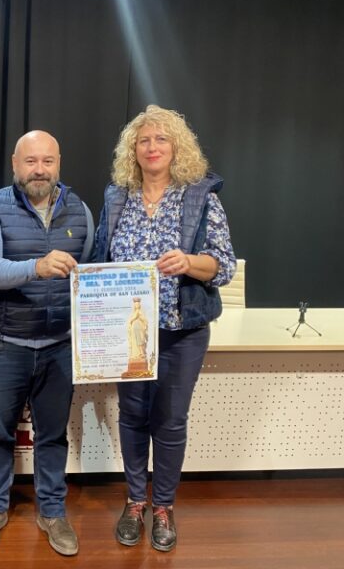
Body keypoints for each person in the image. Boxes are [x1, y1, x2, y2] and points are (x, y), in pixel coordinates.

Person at [92, 105, 236, 552]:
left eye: (161, 140)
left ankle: (164, 506)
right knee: (133, 417)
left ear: (177, 147)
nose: (152, 147)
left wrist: (190, 263)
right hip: (128, 331)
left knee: (170, 422)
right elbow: (100, 258)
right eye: (143, 141)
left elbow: (224, 265)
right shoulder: (117, 197)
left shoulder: (200, 196)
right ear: (132, 151)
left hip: (182, 330)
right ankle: (136, 500)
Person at [0, 130, 94, 557]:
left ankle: (52, 511)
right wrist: (35, 268)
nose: (40, 170)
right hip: (5, 344)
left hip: (60, 344)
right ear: (14, 164)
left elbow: (91, 275)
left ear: (59, 163)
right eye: (31, 161)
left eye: (48, 161)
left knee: (53, 435)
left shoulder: (80, 209)